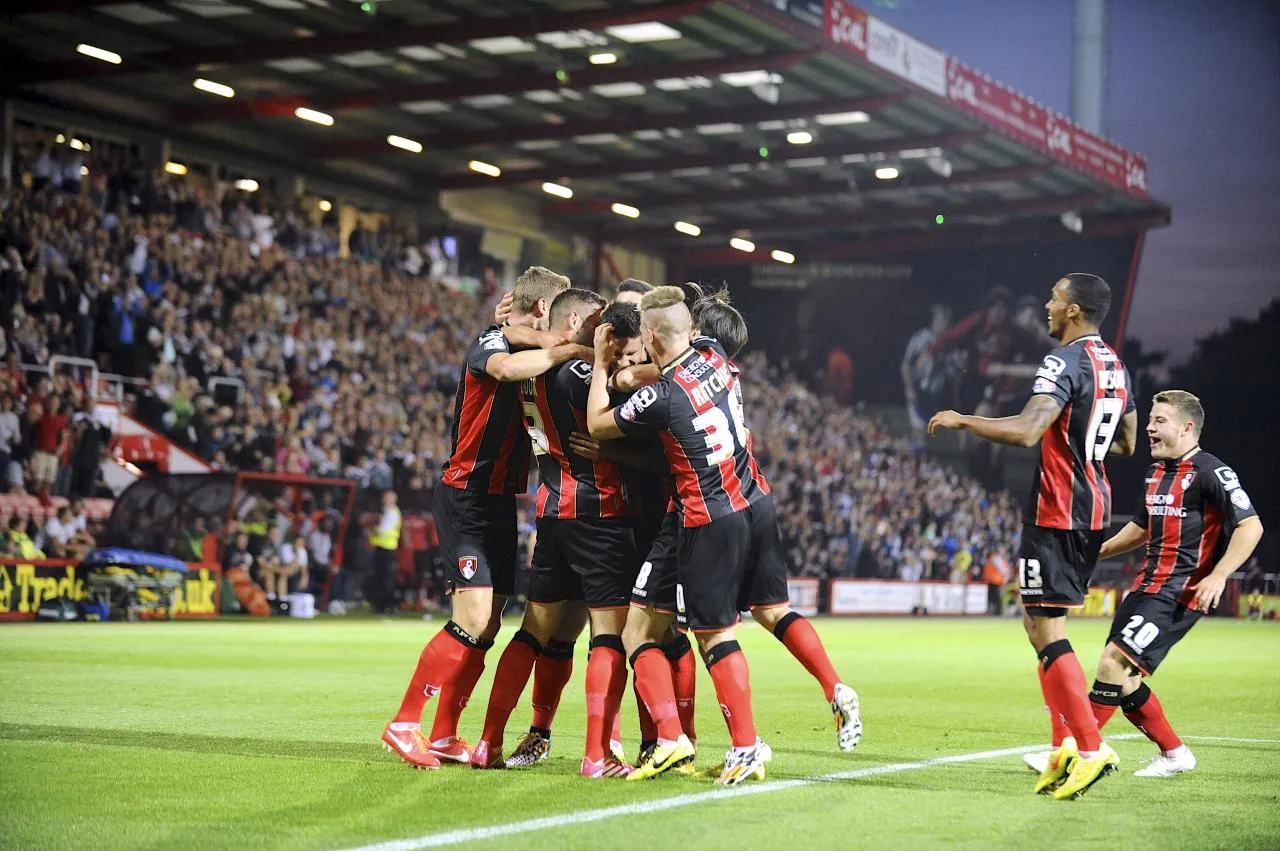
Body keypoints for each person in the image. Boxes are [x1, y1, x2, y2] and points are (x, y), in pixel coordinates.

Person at [587, 286, 858, 785]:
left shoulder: (662, 397)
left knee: (708, 636)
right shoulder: (714, 354)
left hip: (708, 516)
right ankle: (833, 686)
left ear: (650, 337)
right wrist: (634, 371)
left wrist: (606, 366)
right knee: (772, 610)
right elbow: (674, 359)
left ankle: (741, 746)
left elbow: (597, 425)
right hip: (755, 499)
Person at [929, 273, 1139, 800]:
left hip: (1057, 508)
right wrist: (1082, 436)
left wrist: (963, 420)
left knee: (1047, 628)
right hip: (1094, 505)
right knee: (1037, 622)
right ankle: (1062, 744)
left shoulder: (1063, 361)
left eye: (1054, 298)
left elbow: (1026, 432)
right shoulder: (1114, 364)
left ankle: (1088, 746)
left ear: (1073, 310)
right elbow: (1128, 442)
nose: (1047, 305)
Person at [381, 266, 581, 770]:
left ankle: (445, 734)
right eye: (559, 312)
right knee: (470, 618)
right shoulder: (491, 340)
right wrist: (563, 348)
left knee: (489, 623)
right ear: (543, 309)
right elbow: (504, 369)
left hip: (499, 502)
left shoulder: (525, 341)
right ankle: (404, 723)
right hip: (465, 495)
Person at [1025, 390, 1263, 778]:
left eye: (1159, 421)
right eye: (1150, 419)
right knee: (1125, 681)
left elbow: (1250, 526)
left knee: (1112, 664)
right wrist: (1096, 553)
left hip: (1180, 592)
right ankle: (1175, 753)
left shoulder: (1211, 472)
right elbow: (1140, 528)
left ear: (1187, 428)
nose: (1149, 428)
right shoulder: (1156, 473)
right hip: (1145, 588)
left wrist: (1219, 575)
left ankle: (1076, 752)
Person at [472, 288, 646, 778]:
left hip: (551, 515)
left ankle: (490, 742)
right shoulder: (579, 373)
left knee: (540, 633)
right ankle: (598, 753)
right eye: (595, 319)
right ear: (573, 321)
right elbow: (635, 394)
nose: (603, 327)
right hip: (600, 515)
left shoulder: (531, 369)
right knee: (608, 637)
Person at [368, 490, 401, 615]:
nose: (384, 500)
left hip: (386, 548)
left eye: (386, 498)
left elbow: (382, 529)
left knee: (385, 578)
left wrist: (371, 530)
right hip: (383, 546)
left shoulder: (391, 512)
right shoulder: (387, 511)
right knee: (382, 577)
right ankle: (381, 605)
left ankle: (386, 605)